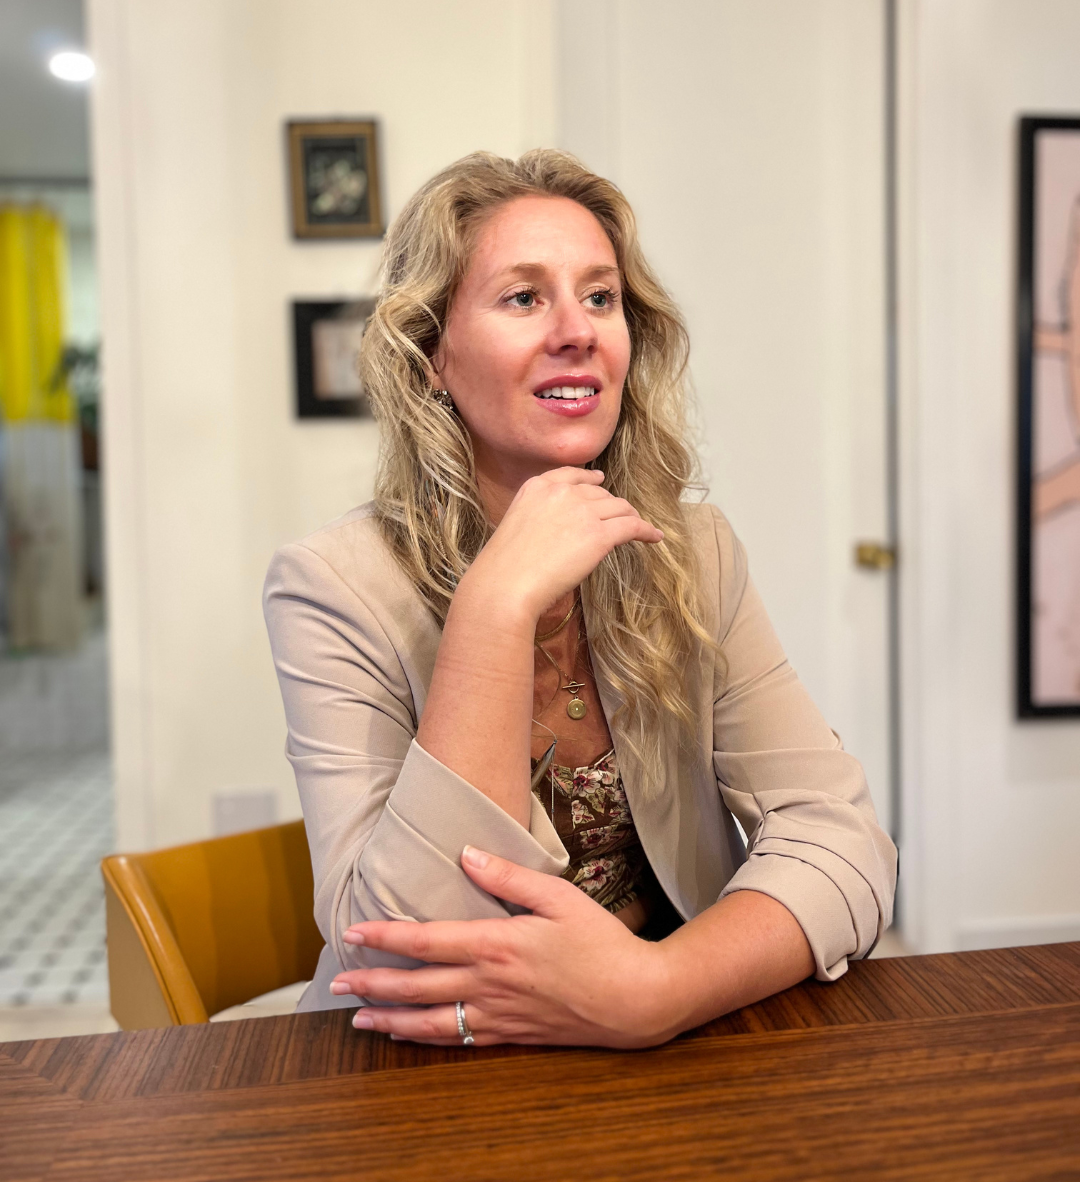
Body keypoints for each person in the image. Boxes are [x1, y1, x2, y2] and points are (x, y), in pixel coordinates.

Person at [263, 149, 897, 1049]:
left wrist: (657, 988)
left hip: (666, 1047)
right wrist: (495, 608)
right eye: (524, 298)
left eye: (600, 297)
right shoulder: (330, 587)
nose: (579, 330)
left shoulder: (693, 551)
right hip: (424, 1080)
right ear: (430, 354)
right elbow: (405, 957)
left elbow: (845, 841)